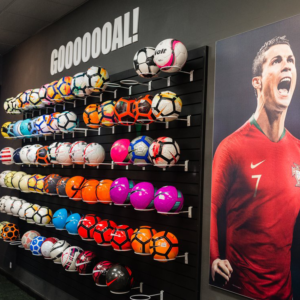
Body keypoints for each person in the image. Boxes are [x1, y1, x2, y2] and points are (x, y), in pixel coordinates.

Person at [210, 36, 300, 300]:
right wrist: (214, 258)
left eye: (291, 61)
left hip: (286, 293)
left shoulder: (298, 150)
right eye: (277, 60)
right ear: (257, 82)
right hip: (240, 292)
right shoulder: (232, 147)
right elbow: (210, 207)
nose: (287, 66)